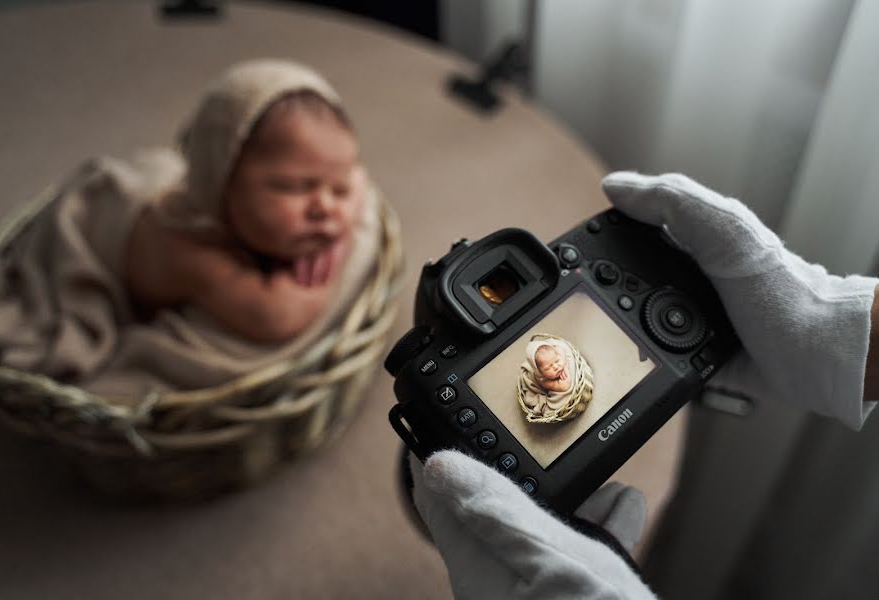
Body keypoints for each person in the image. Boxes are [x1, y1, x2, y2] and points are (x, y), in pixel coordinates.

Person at [409, 172, 879, 599]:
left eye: (558, 359)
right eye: (544, 364)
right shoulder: (533, 413)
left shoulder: (584, 390)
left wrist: (832, 327)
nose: (553, 370)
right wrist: (841, 332)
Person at [126, 63, 367, 344]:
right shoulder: (189, 249)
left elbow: (361, 179)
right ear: (221, 182)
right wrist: (335, 261)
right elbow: (275, 316)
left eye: (340, 189)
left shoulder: (319, 184)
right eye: (294, 187)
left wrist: (338, 235)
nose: (326, 207)